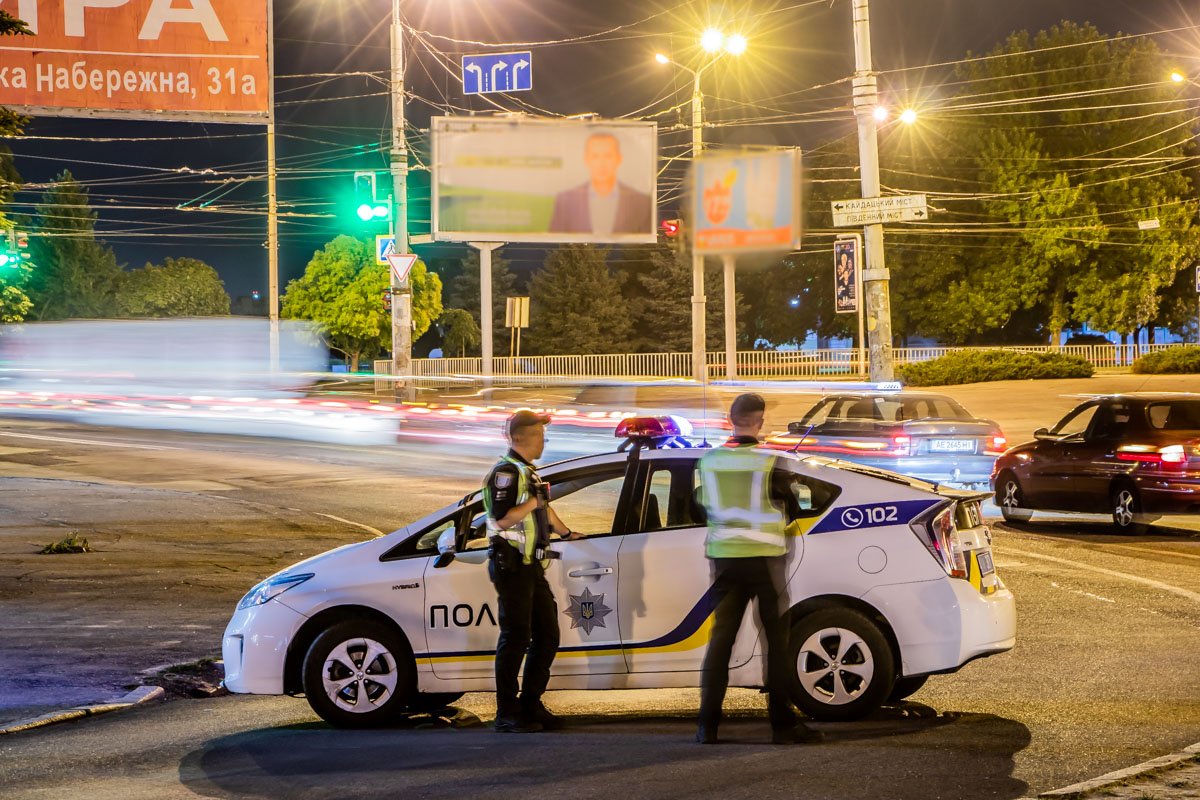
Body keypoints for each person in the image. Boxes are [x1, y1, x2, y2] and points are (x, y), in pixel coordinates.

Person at [696, 393, 823, 746]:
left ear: (730, 419)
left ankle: (707, 725)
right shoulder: (769, 462)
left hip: (724, 560)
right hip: (765, 561)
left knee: (720, 642)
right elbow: (795, 507)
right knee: (775, 645)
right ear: (760, 420)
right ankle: (783, 725)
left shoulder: (710, 462)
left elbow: (700, 504)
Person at [483, 409, 578, 733]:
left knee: (548, 635)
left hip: (530, 566)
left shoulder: (528, 472)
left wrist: (567, 534)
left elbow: (545, 510)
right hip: (511, 565)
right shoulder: (506, 473)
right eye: (538, 434)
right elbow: (501, 519)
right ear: (521, 437)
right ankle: (507, 713)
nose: (543, 440)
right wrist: (533, 504)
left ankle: (530, 703)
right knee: (515, 637)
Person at [548, 132, 652, 236]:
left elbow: (646, 243)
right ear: (586, 159)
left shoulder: (642, 202)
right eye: (595, 156)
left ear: (618, 158)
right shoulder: (566, 200)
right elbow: (554, 243)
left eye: (608, 156)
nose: (601, 164)